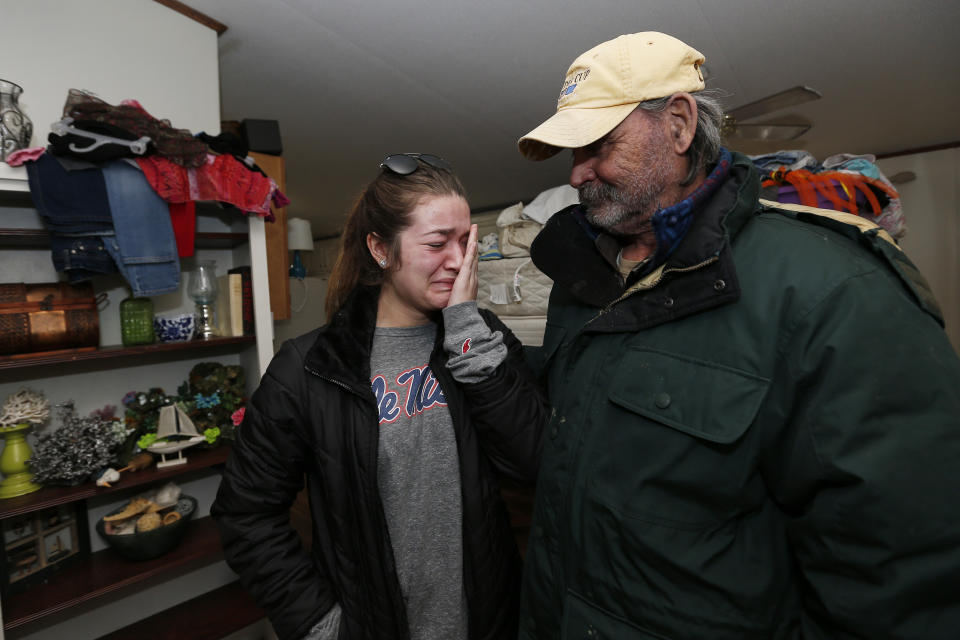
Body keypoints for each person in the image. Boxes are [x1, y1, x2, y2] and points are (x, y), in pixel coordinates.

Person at [514, 32, 960, 639]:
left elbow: (900, 581)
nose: (578, 173)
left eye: (599, 146)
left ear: (677, 124)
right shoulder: (581, 277)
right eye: (574, 153)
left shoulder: (832, 288)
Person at [211, 153, 548, 640]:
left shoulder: (481, 339)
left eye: (464, 241)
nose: (457, 260)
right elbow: (246, 514)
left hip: (489, 619)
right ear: (381, 249)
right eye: (437, 243)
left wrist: (468, 334)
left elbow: (536, 462)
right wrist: (319, 625)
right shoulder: (306, 369)